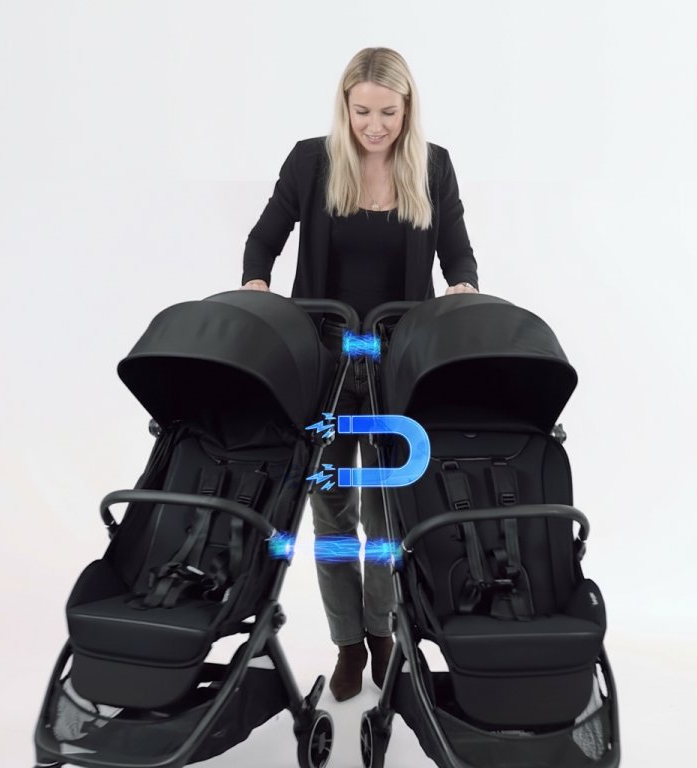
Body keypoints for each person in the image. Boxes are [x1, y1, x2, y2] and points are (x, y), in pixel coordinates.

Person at [241, 47, 479, 701]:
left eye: (388, 114)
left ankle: (381, 631)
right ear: (344, 107)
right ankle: (347, 643)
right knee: (332, 516)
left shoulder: (433, 166)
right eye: (362, 112)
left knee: (387, 517)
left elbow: (458, 251)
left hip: (394, 371)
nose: (374, 127)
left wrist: (462, 286)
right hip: (323, 367)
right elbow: (263, 240)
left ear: (408, 110)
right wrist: (257, 284)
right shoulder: (310, 161)